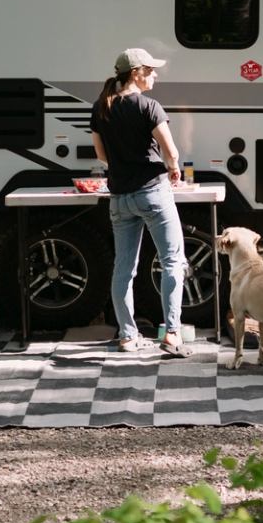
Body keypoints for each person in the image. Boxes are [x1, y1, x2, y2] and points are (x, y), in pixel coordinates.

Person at [90, 46, 188, 354]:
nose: (155, 74)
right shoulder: (149, 106)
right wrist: (174, 171)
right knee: (172, 261)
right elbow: (171, 152)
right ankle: (172, 333)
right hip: (152, 193)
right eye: (151, 70)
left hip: (119, 197)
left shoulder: (101, 107)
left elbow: (101, 156)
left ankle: (127, 336)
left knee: (124, 268)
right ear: (137, 74)